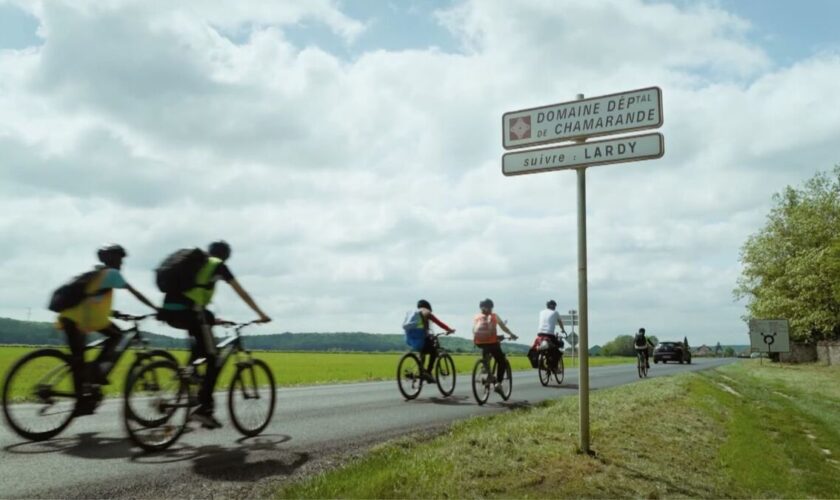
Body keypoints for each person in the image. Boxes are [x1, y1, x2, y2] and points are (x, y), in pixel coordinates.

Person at [158, 240, 271, 429]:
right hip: (192, 312)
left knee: (199, 349)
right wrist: (261, 314)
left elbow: (195, 293)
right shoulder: (218, 266)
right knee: (213, 357)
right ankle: (204, 409)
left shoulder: (196, 267)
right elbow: (242, 293)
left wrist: (212, 319)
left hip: (170, 311)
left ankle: (187, 382)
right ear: (225, 256)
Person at [57, 244, 159, 415]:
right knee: (118, 336)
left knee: (78, 360)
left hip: (70, 317)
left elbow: (91, 300)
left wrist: (116, 313)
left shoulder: (96, 273)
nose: (122, 263)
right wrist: (157, 309)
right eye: (120, 259)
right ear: (112, 259)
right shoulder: (112, 274)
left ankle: (84, 400)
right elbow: (135, 293)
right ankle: (94, 374)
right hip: (82, 319)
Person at [473, 298, 518, 394]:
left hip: (479, 343)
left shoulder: (477, 317)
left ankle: (486, 370)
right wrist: (511, 334)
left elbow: (478, 331)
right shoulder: (494, 316)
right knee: (501, 361)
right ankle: (498, 383)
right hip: (492, 343)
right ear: (491, 307)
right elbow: (503, 327)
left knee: (486, 355)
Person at [411, 299, 455, 382]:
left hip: (411, 339)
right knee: (434, 351)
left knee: (422, 352)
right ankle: (428, 372)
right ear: (428, 307)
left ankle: (420, 371)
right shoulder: (427, 312)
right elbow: (439, 323)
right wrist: (449, 330)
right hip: (422, 338)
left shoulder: (413, 313)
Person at [536, 299, 567, 369]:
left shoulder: (541, 312)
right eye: (554, 306)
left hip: (540, 334)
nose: (555, 307)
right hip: (549, 335)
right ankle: (555, 366)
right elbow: (560, 322)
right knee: (560, 344)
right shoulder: (555, 312)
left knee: (549, 347)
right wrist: (562, 330)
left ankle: (543, 358)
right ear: (552, 306)